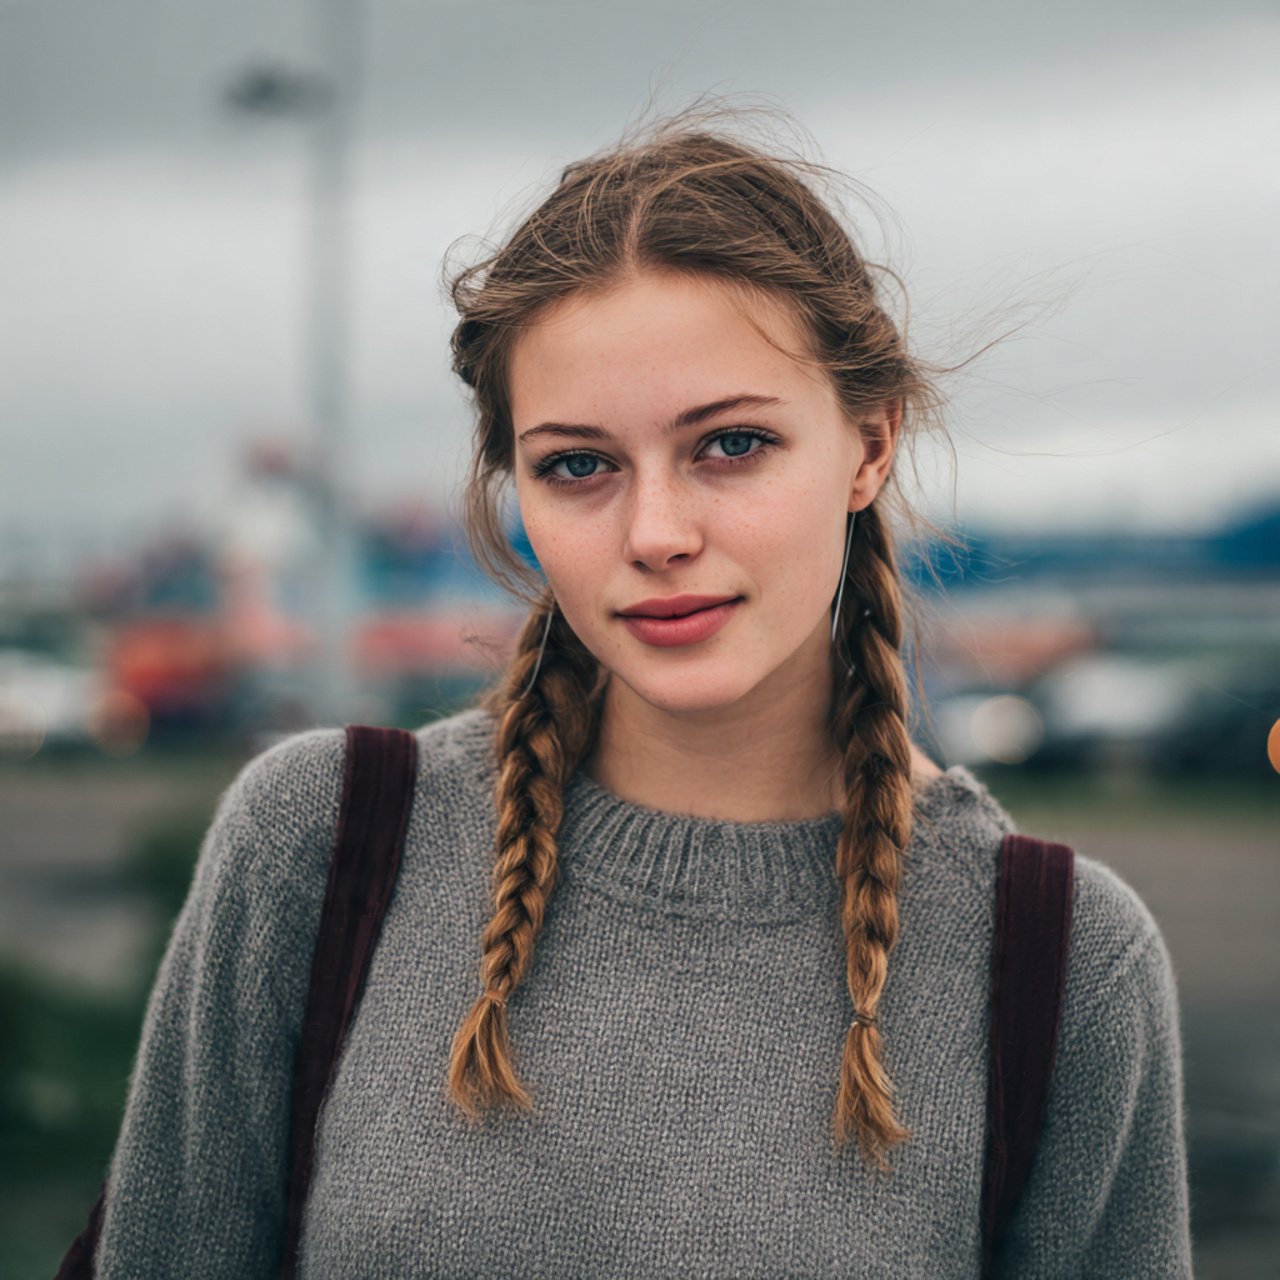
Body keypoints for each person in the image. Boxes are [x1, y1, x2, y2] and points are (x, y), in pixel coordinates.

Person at [88, 106, 1193, 1277]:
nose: (655, 533)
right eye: (578, 465)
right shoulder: (321, 839)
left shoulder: (1060, 961)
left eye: (729, 445)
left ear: (869, 443)